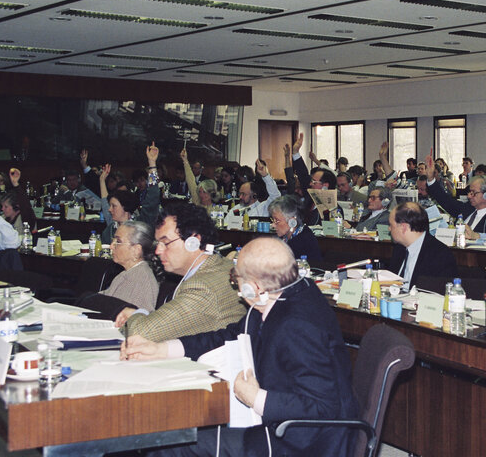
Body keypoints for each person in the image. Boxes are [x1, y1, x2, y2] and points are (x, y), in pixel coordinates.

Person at [121, 237, 357, 457]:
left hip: (300, 441)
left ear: (252, 288)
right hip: (279, 422)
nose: (236, 287)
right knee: (175, 423)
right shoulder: (278, 294)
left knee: (171, 443)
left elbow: (324, 406)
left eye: (236, 279)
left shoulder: (297, 325)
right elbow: (230, 335)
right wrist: (163, 349)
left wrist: (256, 397)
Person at [115, 202, 246, 341]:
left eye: (165, 243)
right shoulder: (224, 266)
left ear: (193, 242)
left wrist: (136, 315)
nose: (158, 251)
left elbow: (140, 333)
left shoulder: (203, 288)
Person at [425, 153, 486, 237]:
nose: (469, 196)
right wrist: (431, 179)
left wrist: (476, 236)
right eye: (469, 192)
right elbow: (445, 199)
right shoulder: (467, 208)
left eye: (473, 193)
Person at [99, 143, 161, 244]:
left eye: (113, 206)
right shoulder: (110, 230)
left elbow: (153, 197)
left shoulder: (141, 224)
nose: (109, 209)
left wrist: (152, 163)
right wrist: (102, 180)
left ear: (125, 207)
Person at [389, 202, 457, 287]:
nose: (389, 228)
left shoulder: (440, 255)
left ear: (403, 228)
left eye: (391, 225)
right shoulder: (399, 249)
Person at [102, 221, 161, 311]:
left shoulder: (144, 282)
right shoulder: (126, 273)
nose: (111, 246)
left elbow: (140, 319)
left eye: (118, 241)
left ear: (136, 251)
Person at [291, 133, 337, 225]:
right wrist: (295, 152)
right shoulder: (310, 199)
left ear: (325, 186)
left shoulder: (333, 210)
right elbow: (303, 175)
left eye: (314, 182)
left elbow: (331, 235)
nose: (310, 184)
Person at [269, 195, 322, 262]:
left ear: (292, 221)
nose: (273, 225)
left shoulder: (305, 240)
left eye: (277, 221)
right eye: (272, 220)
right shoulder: (284, 238)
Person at [182, 149, 219, 213]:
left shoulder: (216, 209)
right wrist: (185, 160)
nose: (201, 195)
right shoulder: (197, 200)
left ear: (212, 193)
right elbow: (191, 181)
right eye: (200, 192)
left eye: (204, 192)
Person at [1, 168, 35, 233]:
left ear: (16, 206)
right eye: (2, 206)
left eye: (6, 206)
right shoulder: (3, 219)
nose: (2, 209)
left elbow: (25, 205)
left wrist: (16, 184)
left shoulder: (25, 218)